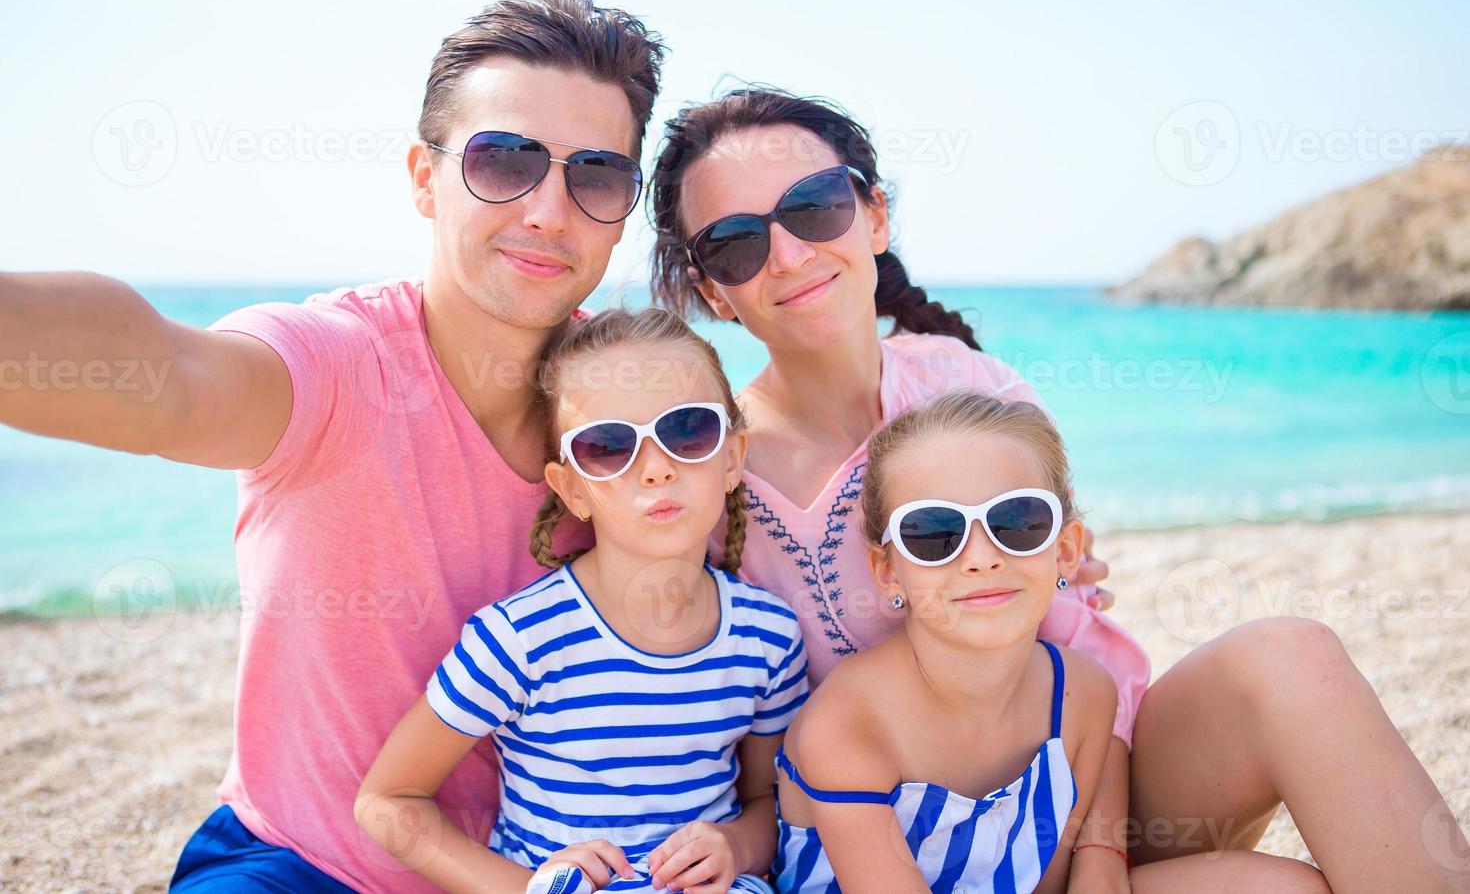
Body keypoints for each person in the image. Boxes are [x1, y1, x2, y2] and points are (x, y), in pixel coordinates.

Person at [648, 87, 1470, 893]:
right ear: (713, 289)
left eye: (815, 206)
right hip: (865, 844)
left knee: (1290, 657)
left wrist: (1099, 852)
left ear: (874, 217)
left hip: (1074, 802)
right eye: (735, 243)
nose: (788, 253)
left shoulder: (976, 395)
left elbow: (1079, 644)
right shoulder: (697, 470)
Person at [1, 0, 665, 892]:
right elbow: (167, 380)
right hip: (304, 863)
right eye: (506, 160)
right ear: (425, 180)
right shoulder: (337, 365)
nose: (549, 210)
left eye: (594, 173)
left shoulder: (637, 406)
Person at [774, 390, 1330, 893]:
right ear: (889, 571)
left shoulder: (1084, 698)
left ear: (1065, 551)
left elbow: (1071, 879)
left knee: (1288, 885)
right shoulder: (849, 724)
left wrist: (1101, 857)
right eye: (933, 532)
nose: (981, 557)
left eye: (1016, 522)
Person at [357, 308, 805, 894]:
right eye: (609, 446)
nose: (655, 468)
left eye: (688, 429)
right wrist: (524, 888)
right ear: (572, 490)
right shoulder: (520, 639)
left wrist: (735, 846)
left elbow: (767, 805)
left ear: (732, 457)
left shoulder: (768, 637)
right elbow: (387, 801)